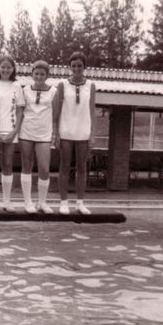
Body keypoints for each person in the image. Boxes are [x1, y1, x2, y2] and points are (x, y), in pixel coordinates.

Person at [56, 51, 96, 215]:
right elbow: (58, 110)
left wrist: (92, 133)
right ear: (69, 67)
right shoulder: (62, 84)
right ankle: (63, 202)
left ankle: (80, 203)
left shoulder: (91, 85)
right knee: (64, 166)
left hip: (83, 131)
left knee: (82, 168)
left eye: (80, 66)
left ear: (84, 67)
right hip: (66, 130)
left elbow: (92, 110)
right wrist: (56, 133)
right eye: (73, 66)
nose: (77, 69)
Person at [0, 56, 25, 212]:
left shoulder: (17, 87)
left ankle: (7, 201)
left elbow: (20, 112)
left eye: (9, 67)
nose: (6, 70)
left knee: (8, 165)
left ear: (13, 69)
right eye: (3, 67)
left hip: (10, 131)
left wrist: (14, 132)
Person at [19, 60, 59, 213]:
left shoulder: (54, 91)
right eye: (36, 73)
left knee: (44, 168)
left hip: (44, 134)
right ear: (32, 74)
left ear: (47, 75)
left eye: (42, 74)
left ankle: (42, 202)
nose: (39, 76)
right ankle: (28, 202)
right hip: (26, 132)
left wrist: (54, 134)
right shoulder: (25, 90)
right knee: (27, 165)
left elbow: (55, 116)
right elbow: (21, 112)